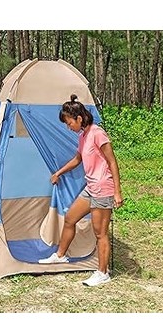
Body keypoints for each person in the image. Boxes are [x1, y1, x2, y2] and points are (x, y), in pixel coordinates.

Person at [38, 94, 124, 286]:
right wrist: (58, 173)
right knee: (70, 218)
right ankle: (60, 255)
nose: (68, 127)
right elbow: (78, 159)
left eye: (69, 123)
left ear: (79, 118)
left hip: (103, 189)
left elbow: (112, 161)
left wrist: (117, 192)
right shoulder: (83, 136)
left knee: (100, 233)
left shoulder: (98, 133)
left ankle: (103, 273)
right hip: (90, 187)